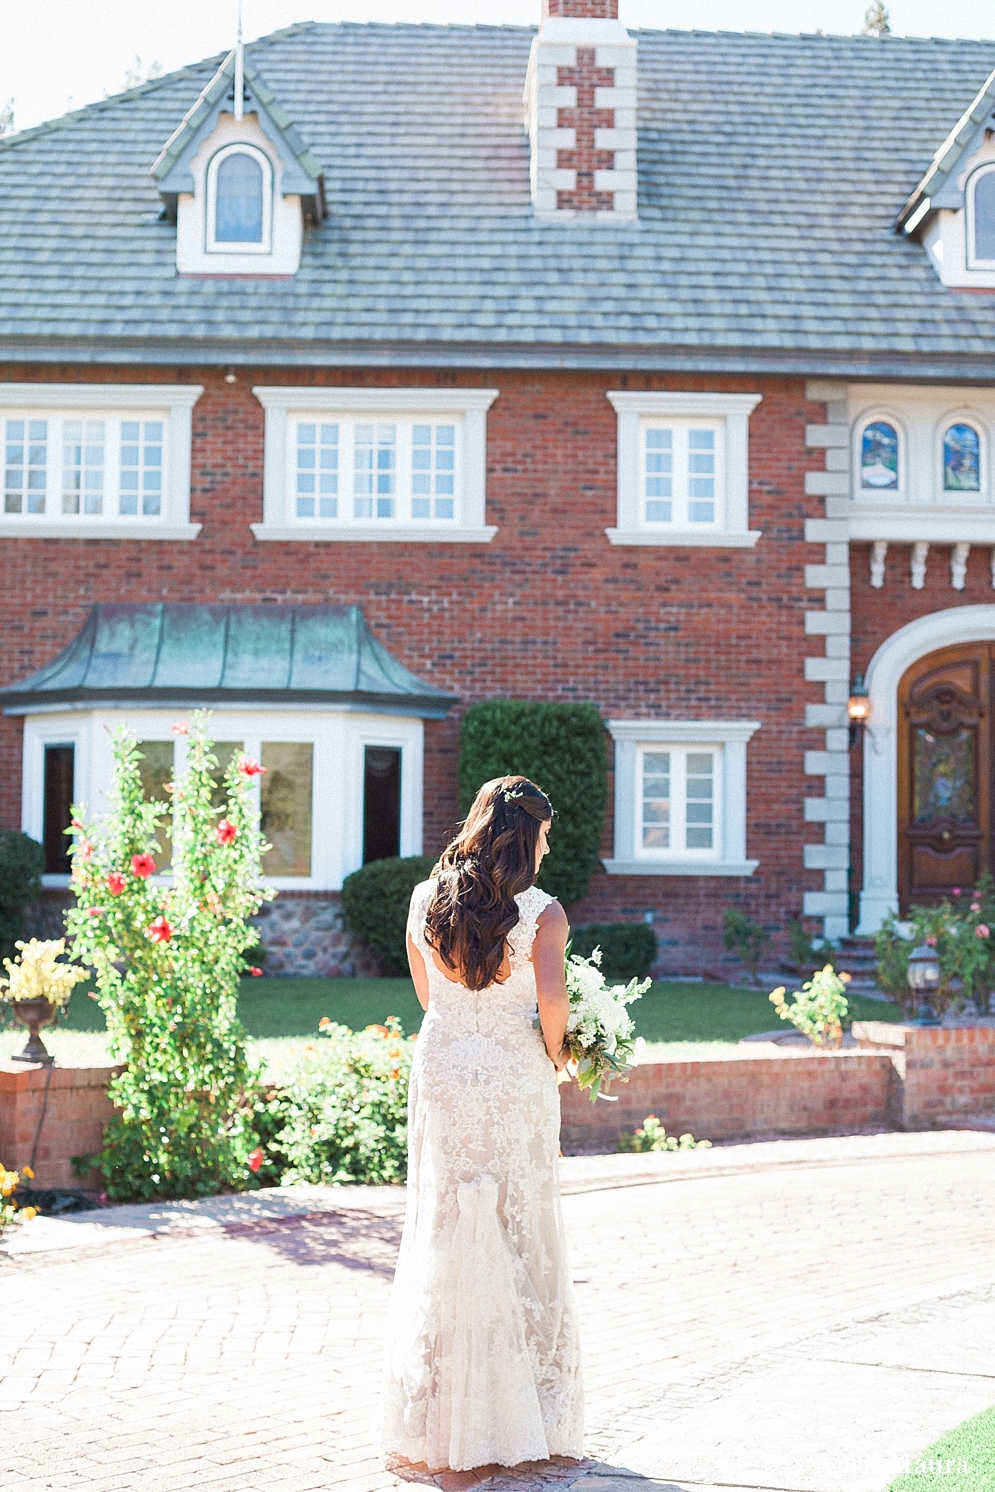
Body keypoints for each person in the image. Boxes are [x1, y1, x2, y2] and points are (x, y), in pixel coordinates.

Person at [379, 775, 584, 1474]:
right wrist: (559, 1055)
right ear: (530, 838)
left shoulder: (421, 900)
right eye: (547, 836)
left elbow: (425, 994)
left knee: (446, 1218)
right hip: (512, 1072)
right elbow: (551, 1001)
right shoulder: (543, 913)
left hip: (443, 1064)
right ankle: (516, 1416)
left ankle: (439, 1416)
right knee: (517, 1221)